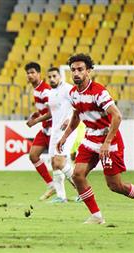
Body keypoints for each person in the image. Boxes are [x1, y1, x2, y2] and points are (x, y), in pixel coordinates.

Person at [57, 54, 134, 224]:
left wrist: (107, 142)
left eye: (80, 69)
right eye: (73, 70)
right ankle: (96, 216)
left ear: (88, 71)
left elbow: (117, 116)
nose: (76, 73)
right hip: (91, 139)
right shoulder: (73, 94)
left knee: (115, 186)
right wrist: (64, 136)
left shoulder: (99, 92)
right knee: (77, 175)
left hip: (109, 142)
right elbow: (77, 116)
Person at [44, 67, 77, 203]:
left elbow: (77, 106)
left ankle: (82, 190)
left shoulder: (68, 89)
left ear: (60, 76)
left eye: (54, 76)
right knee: (54, 163)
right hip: (55, 131)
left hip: (66, 131)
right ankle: (61, 196)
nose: (52, 79)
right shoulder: (51, 93)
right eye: (50, 77)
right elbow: (52, 113)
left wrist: (69, 119)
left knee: (61, 162)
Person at [24, 62, 55, 200]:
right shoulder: (36, 89)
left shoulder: (45, 91)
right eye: (28, 73)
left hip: (55, 130)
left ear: (39, 74)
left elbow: (52, 112)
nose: (30, 75)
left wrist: (35, 121)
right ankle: (51, 185)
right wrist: (37, 114)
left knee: (60, 164)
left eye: (32, 72)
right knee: (33, 155)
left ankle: (79, 191)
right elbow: (44, 110)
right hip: (46, 129)